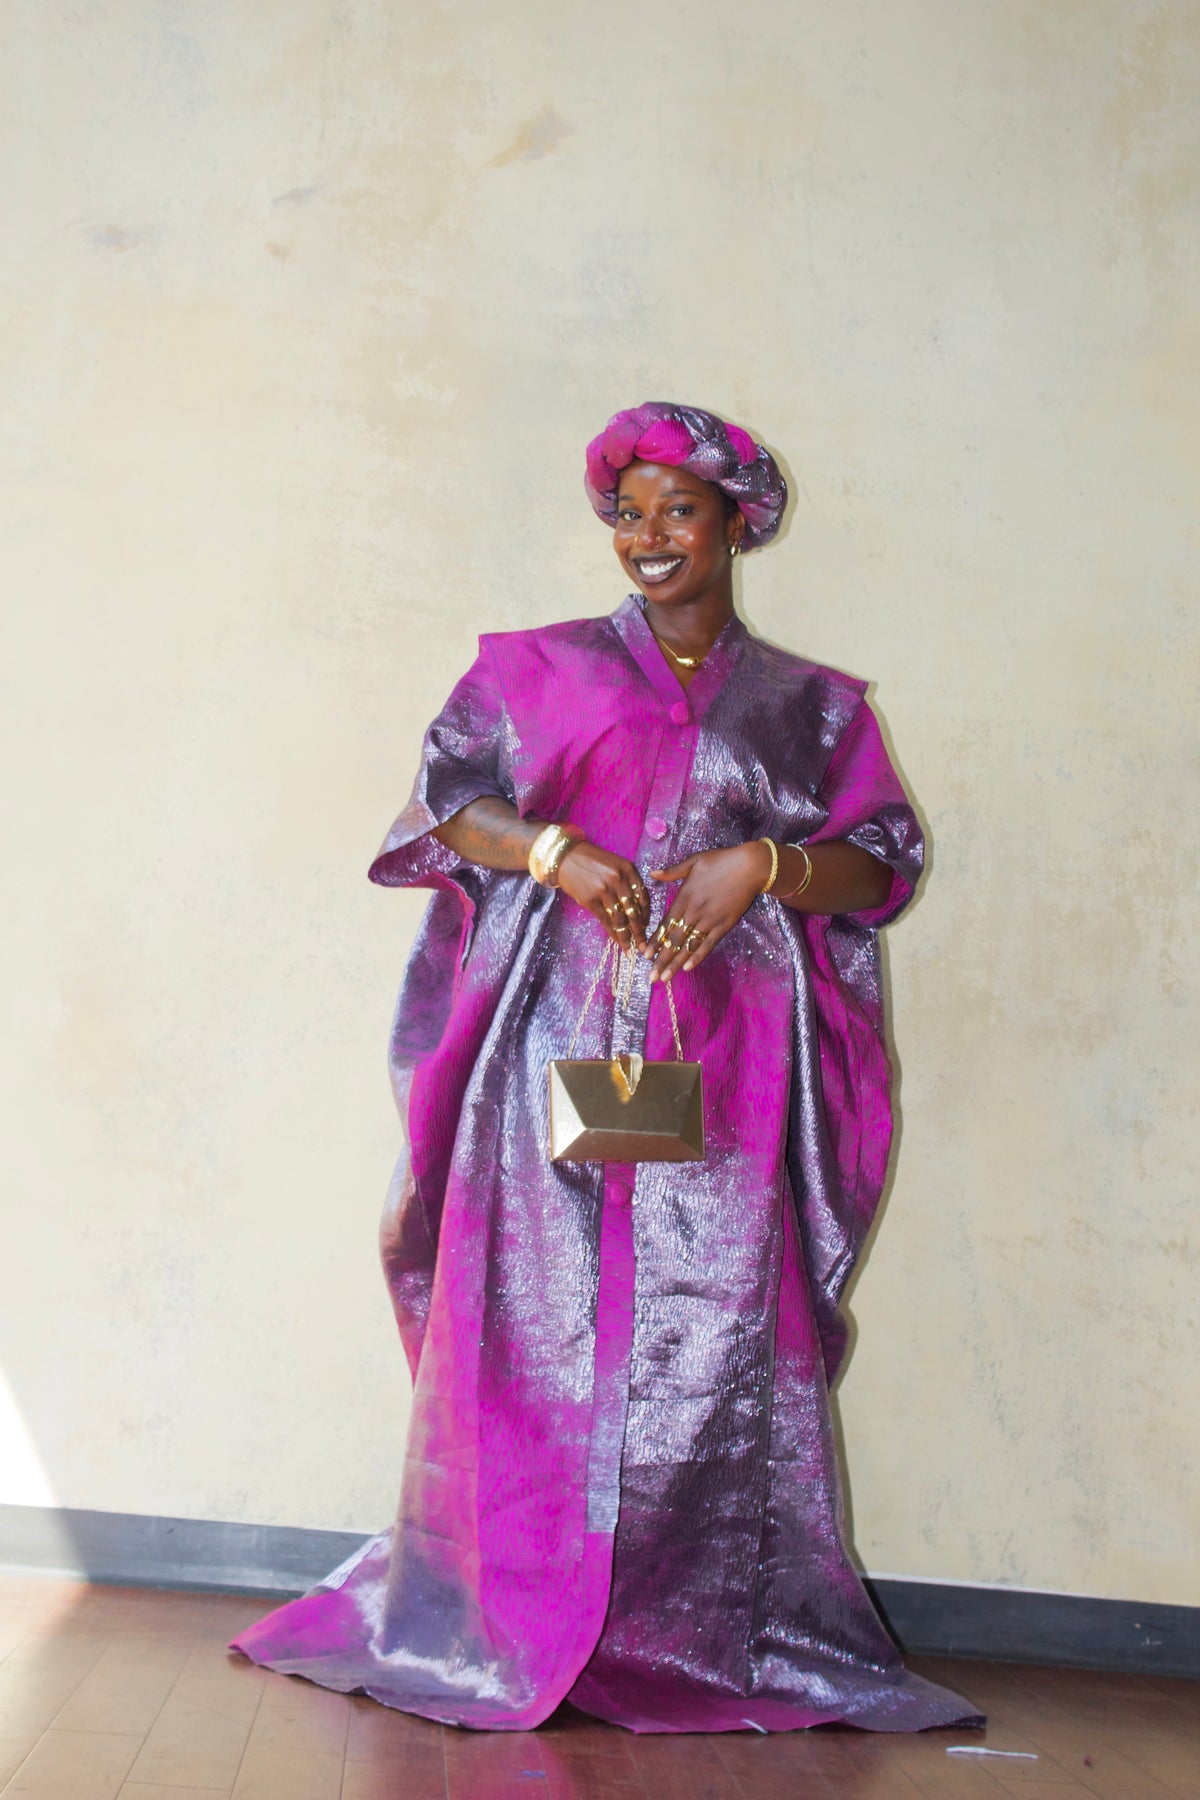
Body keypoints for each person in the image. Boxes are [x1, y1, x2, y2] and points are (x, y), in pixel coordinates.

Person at [231, 402, 982, 1735]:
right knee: (532, 1326)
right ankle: (501, 1616)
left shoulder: (812, 708)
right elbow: (446, 803)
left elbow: (879, 869)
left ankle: (686, 1627)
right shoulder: (534, 670)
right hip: (548, 1052)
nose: (649, 535)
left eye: (678, 509)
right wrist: (553, 851)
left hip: (731, 1069)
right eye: (629, 512)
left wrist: (764, 862)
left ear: (737, 521)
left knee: (716, 1340)